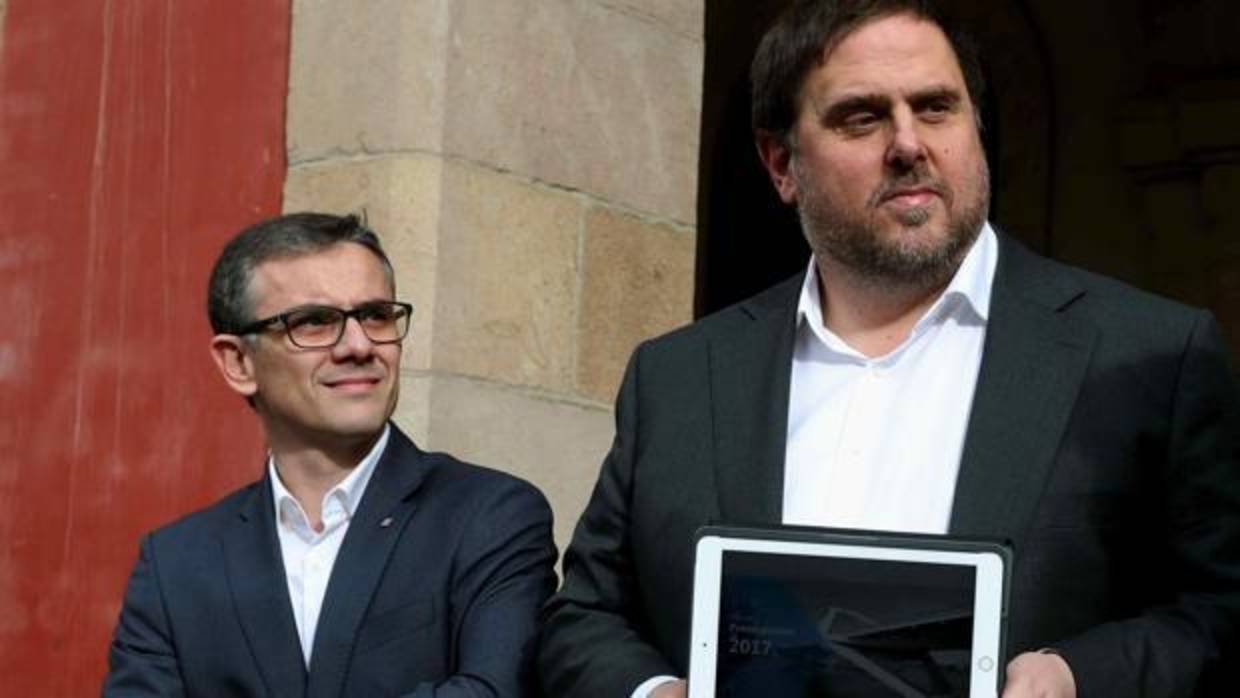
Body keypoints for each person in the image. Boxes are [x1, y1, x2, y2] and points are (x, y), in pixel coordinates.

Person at [537, 1, 1240, 697]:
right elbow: (586, 615)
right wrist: (657, 695)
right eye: (863, 117)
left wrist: (1075, 676)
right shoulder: (681, 376)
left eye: (936, 108)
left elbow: (1218, 611)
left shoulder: (1148, 355)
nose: (908, 144)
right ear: (781, 163)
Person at [104, 212, 556, 697]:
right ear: (238, 362)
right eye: (315, 322)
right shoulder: (176, 564)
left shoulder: (490, 516)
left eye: (376, 315)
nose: (359, 345)